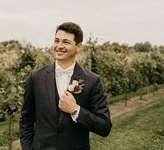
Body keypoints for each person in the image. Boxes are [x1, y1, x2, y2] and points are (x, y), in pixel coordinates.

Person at [19, 22, 112, 150]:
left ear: (78, 47)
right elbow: (26, 119)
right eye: (57, 41)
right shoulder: (35, 77)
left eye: (66, 42)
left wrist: (75, 110)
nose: (59, 46)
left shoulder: (92, 81)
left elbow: (105, 126)